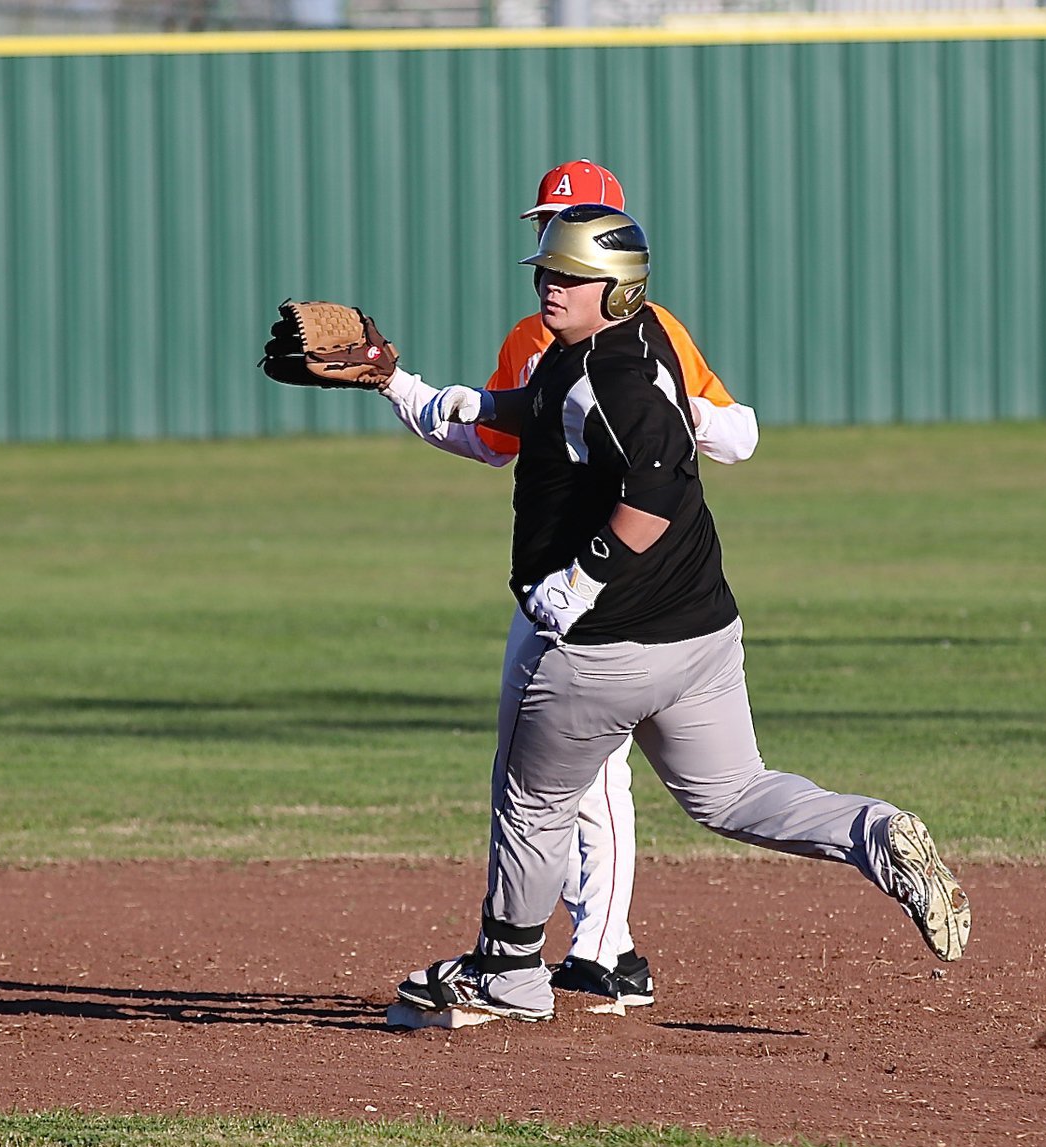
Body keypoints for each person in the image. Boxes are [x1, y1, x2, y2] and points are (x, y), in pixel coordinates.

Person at [391, 204, 971, 1023]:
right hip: (698, 633)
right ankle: (873, 831)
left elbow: (657, 486)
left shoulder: (613, 375)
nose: (548, 287)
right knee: (732, 794)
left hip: (601, 650)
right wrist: (408, 387)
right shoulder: (616, 345)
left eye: (568, 277)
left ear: (615, 290)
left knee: (532, 803)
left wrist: (581, 581)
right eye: (544, 272)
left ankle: (508, 975)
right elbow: (544, 412)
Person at [378, 160, 758, 1007]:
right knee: (554, 780)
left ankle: (600, 949)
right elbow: (493, 434)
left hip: (621, 585)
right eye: (546, 231)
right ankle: (546, 954)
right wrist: (397, 388)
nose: (551, 256)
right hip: (554, 582)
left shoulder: (650, 334)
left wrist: (651, 420)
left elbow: (736, 436)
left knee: (595, 775)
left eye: (572, 230)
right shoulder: (536, 339)